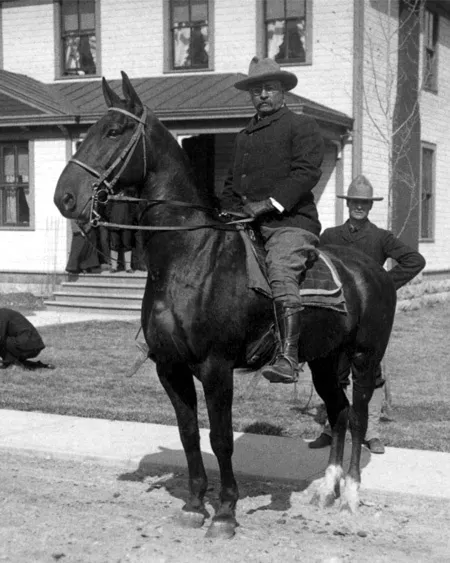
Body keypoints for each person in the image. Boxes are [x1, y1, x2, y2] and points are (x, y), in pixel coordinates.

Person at [220, 56, 325, 384]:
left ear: (283, 92)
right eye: (256, 90)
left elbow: (307, 171)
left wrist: (268, 204)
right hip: (247, 223)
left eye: (269, 88)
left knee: (280, 271)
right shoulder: (243, 136)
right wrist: (227, 210)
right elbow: (230, 185)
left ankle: (288, 356)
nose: (262, 95)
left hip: (289, 223)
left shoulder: (300, 126)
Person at [309, 174, 426, 454]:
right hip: (335, 316)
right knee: (333, 373)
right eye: (355, 202)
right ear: (348, 203)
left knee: (370, 375)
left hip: (369, 321)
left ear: (370, 206)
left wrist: (382, 288)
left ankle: (369, 431)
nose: (359, 207)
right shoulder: (330, 236)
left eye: (364, 203)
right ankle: (330, 428)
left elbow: (415, 260)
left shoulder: (380, 237)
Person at [107, 187, 137, 274]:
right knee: (114, 245)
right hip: (114, 225)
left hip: (126, 225)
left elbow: (133, 210)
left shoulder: (129, 197)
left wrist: (129, 220)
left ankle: (128, 267)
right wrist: (112, 219)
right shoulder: (112, 198)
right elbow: (107, 210)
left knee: (127, 245)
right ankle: (114, 267)